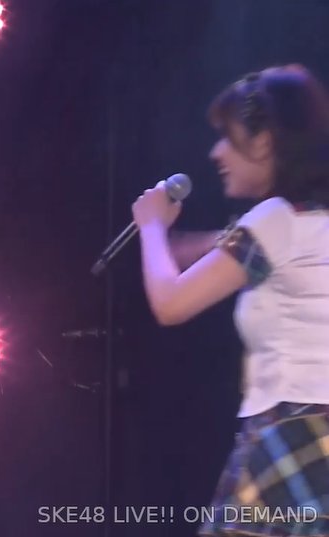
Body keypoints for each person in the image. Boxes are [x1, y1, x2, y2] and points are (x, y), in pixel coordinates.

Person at [131, 64, 329, 536]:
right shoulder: (308, 222)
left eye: (227, 137)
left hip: (292, 427)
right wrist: (194, 245)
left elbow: (170, 302)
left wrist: (151, 226)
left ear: (263, 142)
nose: (215, 152)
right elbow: (244, 249)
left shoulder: (275, 219)